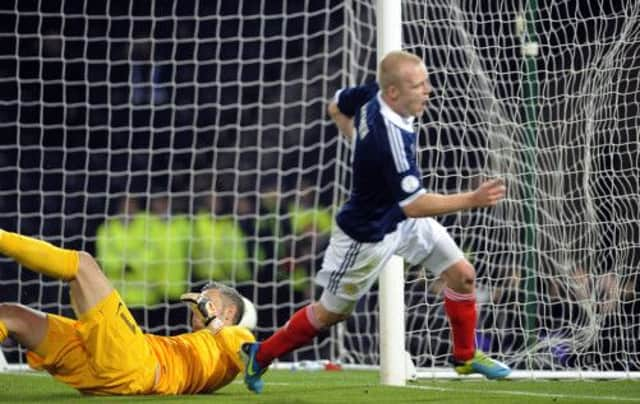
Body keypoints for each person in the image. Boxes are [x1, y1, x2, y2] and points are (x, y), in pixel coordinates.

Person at [241, 50, 511, 394]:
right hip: (366, 235)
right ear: (394, 93)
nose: (428, 90)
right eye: (418, 85)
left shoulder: (373, 93)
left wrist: (357, 142)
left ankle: (465, 355)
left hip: (398, 218)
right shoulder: (389, 138)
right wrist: (472, 199)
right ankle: (261, 354)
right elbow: (415, 204)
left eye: (426, 81)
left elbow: (337, 105)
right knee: (330, 314)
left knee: (463, 275)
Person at [0, 228, 256, 395]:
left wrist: (211, 318)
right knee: (12, 315)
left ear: (230, 312)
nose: (199, 301)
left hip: (139, 366)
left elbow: (250, 358)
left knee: (84, 264)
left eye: (208, 298)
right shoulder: (201, 343)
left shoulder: (237, 338)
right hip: (109, 369)